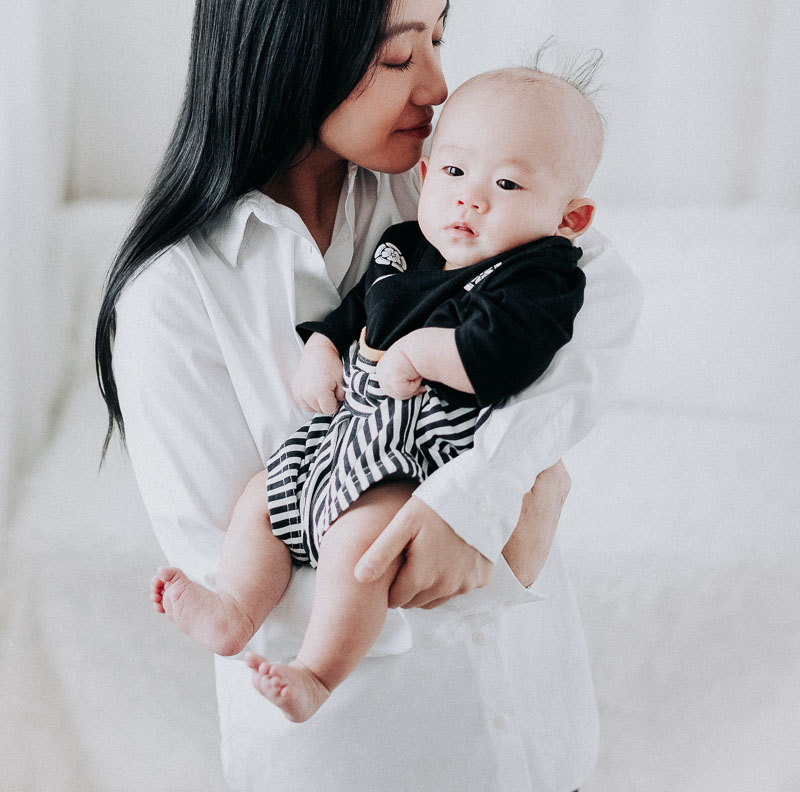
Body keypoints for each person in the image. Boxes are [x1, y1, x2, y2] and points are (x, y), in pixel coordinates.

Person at [97, 0, 642, 792]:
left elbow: (594, 306)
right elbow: (248, 590)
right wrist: (512, 517)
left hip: (541, 736)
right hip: (367, 757)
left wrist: (488, 492)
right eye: (398, 57)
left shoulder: (450, 181)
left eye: (440, 35)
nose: (438, 84)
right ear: (289, 54)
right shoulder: (174, 297)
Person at [150, 65, 602, 726]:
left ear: (569, 218)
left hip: (425, 443)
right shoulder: (405, 247)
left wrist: (422, 352)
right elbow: (355, 310)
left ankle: (316, 674)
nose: (469, 200)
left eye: (505, 184)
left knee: (359, 546)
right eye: (453, 174)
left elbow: (503, 356)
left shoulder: (539, 274)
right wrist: (321, 350)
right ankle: (235, 609)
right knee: (261, 501)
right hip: (349, 427)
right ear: (425, 178)